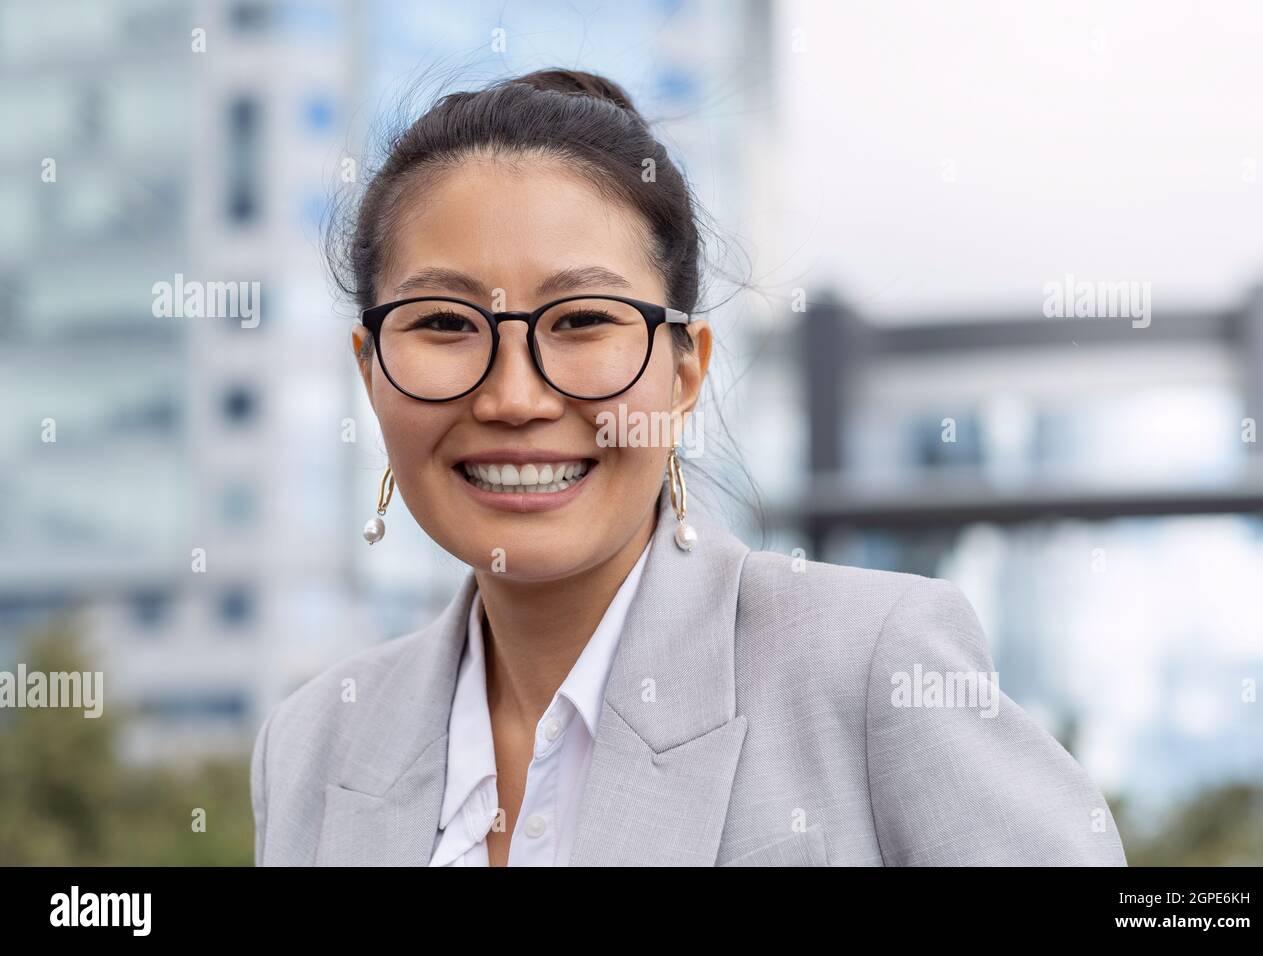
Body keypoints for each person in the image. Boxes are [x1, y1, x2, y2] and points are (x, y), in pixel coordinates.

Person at [250, 68, 1126, 867]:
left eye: (582, 321)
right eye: (444, 324)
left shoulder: (869, 664)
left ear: (684, 373)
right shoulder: (313, 742)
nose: (513, 397)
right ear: (370, 371)